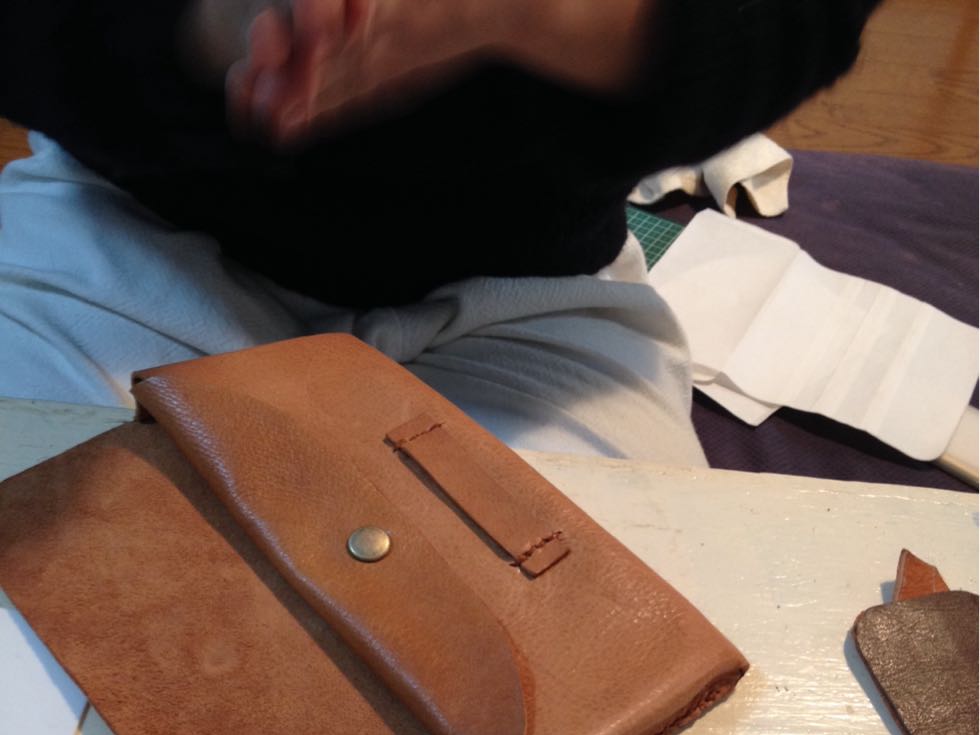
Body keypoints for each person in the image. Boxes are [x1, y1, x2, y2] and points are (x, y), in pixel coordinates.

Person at [0, 0, 881, 463]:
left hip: (533, 289)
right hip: (124, 224)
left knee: (617, 645)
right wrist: (193, 27)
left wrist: (556, 15)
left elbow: (796, 24)